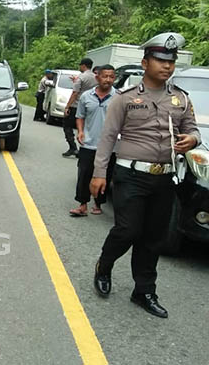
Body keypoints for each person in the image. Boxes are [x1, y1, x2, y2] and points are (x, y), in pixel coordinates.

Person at [90, 32, 200, 318]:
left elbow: (193, 128)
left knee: (153, 237)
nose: (167, 66)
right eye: (161, 60)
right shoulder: (125, 99)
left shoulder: (180, 99)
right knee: (127, 229)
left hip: (164, 177)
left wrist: (193, 140)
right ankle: (104, 265)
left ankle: (144, 291)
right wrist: (99, 173)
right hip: (130, 175)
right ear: (145, 62)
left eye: (171, 61)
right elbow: (108, 137)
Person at [69, 65, 117, 217]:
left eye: (111, 77)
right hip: (89, 143)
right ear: (97, 77)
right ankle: (82, 205)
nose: (108, 80)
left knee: (106, 176)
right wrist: (81, 131)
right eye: (105, 76)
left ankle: (98, 204)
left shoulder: (119, 97)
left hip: (111, 146)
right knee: (84, 174)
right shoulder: (86, 96)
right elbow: (80, 116)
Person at [63, 58, 97, 157]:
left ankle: (73, 147)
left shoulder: (81, 77)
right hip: (89, 106)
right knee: (85, 128)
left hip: (77, 105)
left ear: (83, 65)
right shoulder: (96, 77)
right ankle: (85, 149)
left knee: (67, 126)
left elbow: (75, 93)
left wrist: (67, 106)